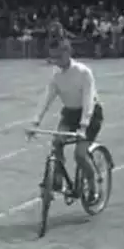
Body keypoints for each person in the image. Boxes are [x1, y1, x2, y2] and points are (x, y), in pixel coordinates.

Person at [29, 40, 104, 204]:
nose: (56, 61)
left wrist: (84, 125)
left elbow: (88, 99)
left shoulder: (83, 72)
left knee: (80, 155)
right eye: (53, 57)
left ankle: (93, 187)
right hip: (70, 114)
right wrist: (35, 122)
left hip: (90, 115)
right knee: (57, 143)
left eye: (59, 56)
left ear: (68, 53)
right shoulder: (56, 76)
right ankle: (56, 178)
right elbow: (46, 98)